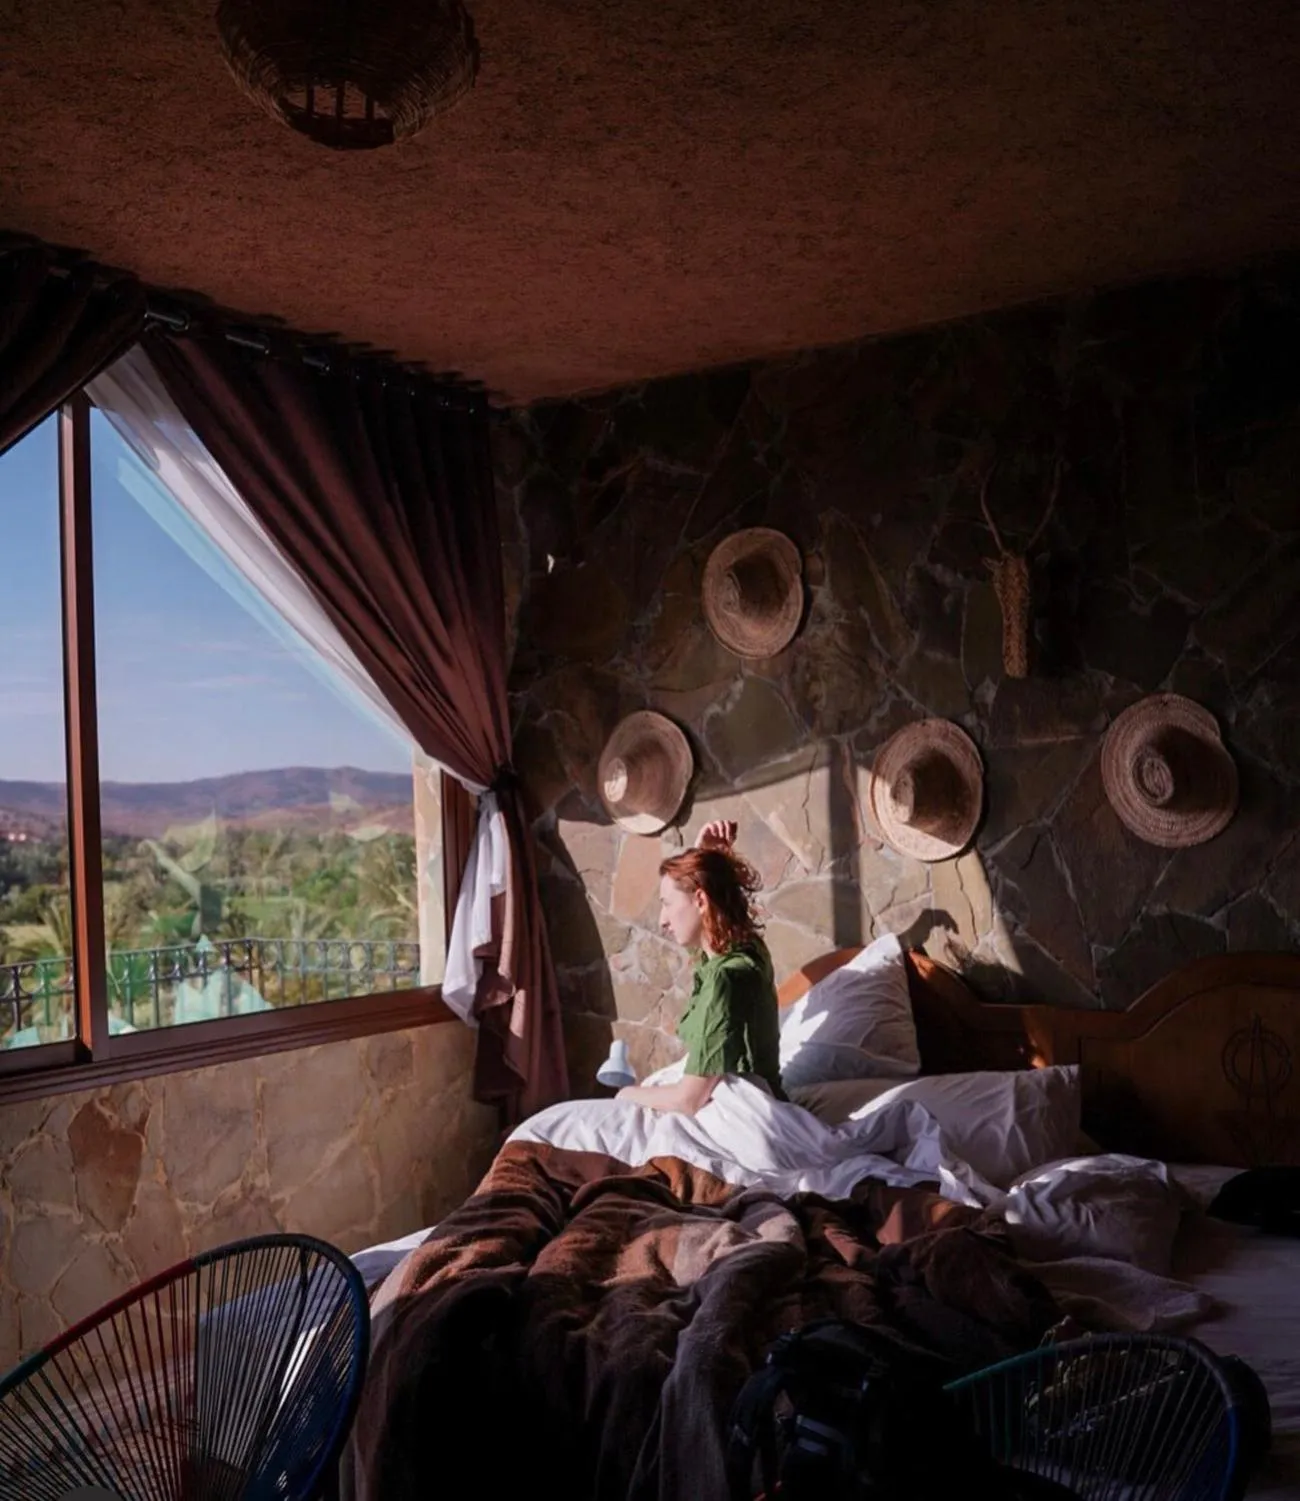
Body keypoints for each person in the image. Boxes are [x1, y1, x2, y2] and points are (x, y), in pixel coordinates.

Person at [616, 819, 786, 1116]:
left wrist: (627, 1093)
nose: (662, 920)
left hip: (744, 1117)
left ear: (700, 900)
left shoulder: (726, 978)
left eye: (666, 903)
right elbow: (711, 911)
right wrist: (700, 855)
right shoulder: (748, 953)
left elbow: (688, 1101)